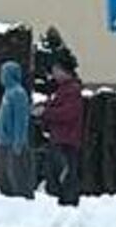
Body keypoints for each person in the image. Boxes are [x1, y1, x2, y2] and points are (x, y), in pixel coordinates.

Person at [36, 60, 85, 207]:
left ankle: (68, 203)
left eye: (57, 70)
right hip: (59, 138)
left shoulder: (71, 90)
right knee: (58, 173)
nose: (54, 74)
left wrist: (46, 112)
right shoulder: (61, 89)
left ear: (66, 71)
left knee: (66, 173)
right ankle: (63, 201)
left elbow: (68, 113)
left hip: (67, 140)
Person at [0, 60, 34, 198]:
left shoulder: (18, 94)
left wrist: (18, 142)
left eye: (4, 73)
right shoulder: (7, 93)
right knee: (4, 179)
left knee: (17, 180)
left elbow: (21, 120)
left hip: (13, 145)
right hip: (3, 144)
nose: (1, 76)